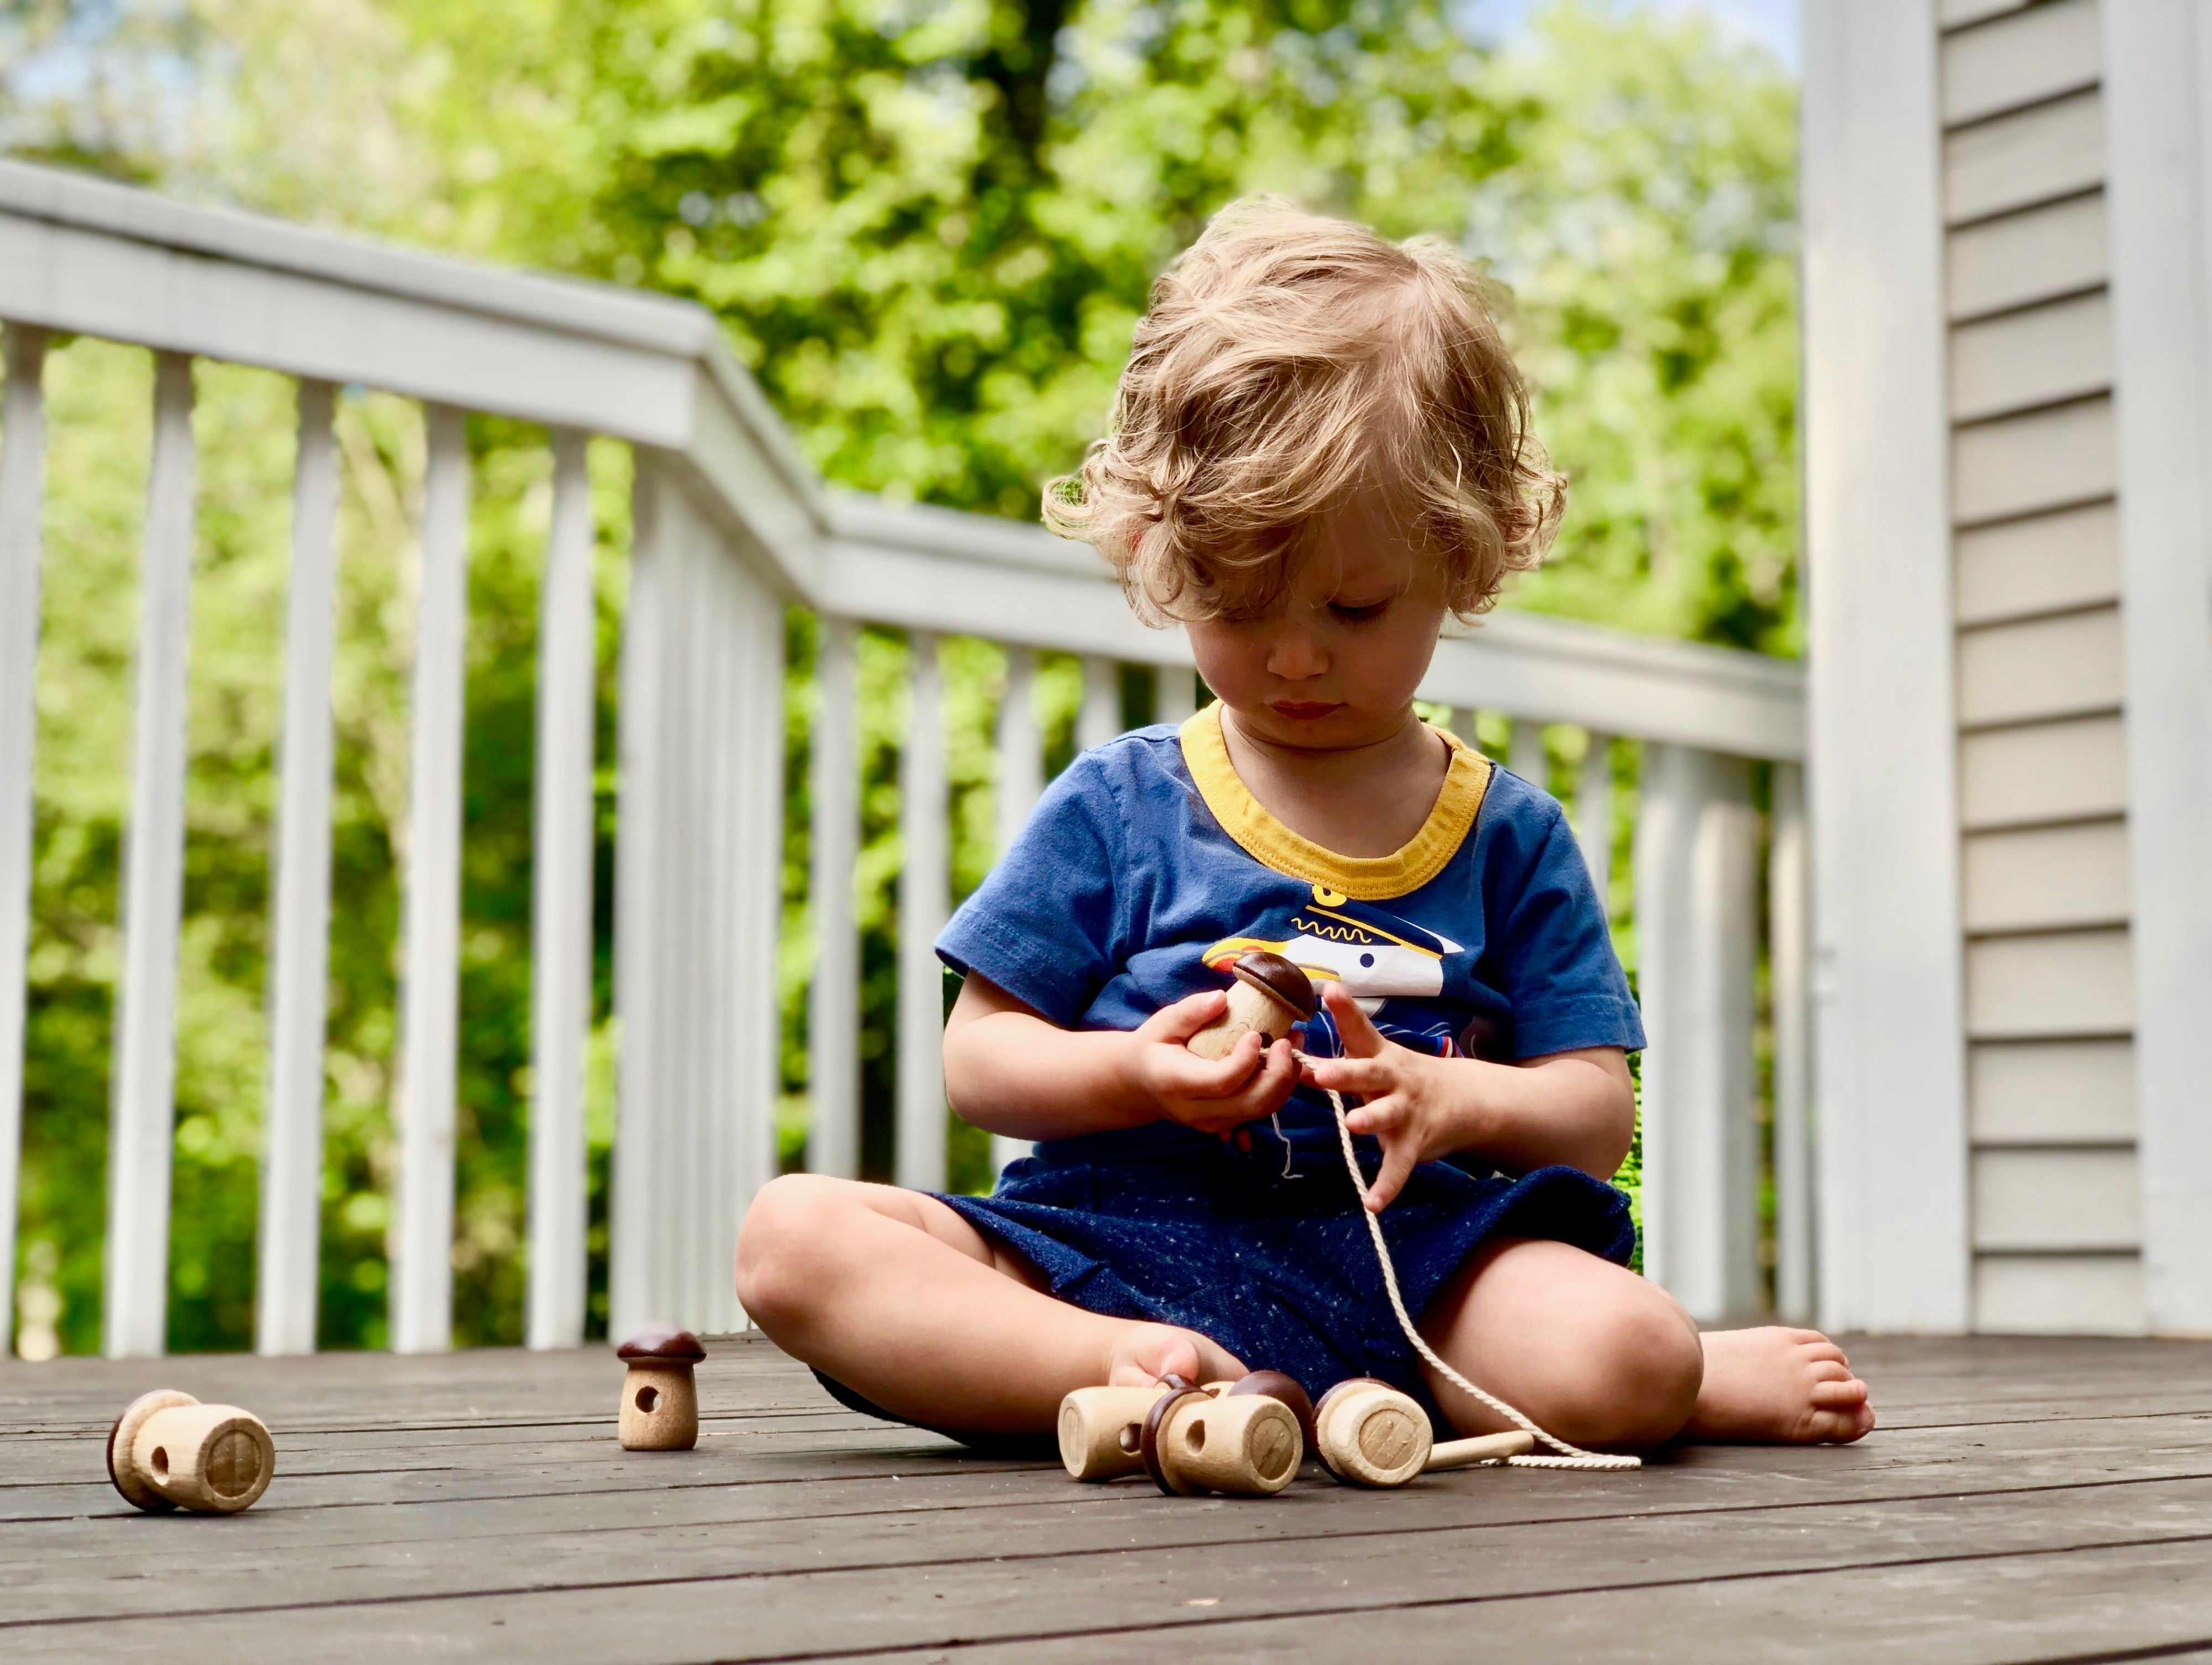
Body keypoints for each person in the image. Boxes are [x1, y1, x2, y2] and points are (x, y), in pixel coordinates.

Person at [736, 198, 1874, 1452]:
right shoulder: (1122, 805)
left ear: (1465, 556)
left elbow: (1596, 1116)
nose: (1293, 657)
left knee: (1634, 1352)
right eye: (1236, 599)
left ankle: (1625, 1384)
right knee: (792, 1240)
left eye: (1354, 605)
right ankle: (1131, 1370)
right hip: (1113, 1248)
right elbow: (981, 1061)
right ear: (1162, 552)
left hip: (1421, 1263)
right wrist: (1136, 1074)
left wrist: (1454, 1106)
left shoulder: (1507, 834)